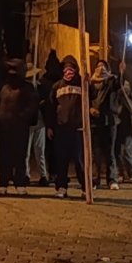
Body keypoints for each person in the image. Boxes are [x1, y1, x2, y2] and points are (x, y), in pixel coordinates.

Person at [0, 59, 40, 196]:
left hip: (20, 127)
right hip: (4, 127)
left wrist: (21, 117)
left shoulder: (27, 88)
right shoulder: (4, 88)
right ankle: (3, 183)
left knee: (20, 156)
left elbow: (32, 106)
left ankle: (20, 183)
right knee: (3, 156)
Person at [46, 55, 86, 199]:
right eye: (65, 68)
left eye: (71, 68)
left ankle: (85, 188)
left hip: (78, 129)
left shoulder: (83, 84)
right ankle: (61, 187)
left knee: (80, 161)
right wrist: (50, 126)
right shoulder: (57, 86)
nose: (68, 71)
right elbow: (51, 107)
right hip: (61, 129)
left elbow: (93, 96)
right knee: (61, 160)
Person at [89, 59, 121, 190]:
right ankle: (96, 179)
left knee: (110, 152)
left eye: (103, 67)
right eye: (98, 66)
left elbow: (118, 84)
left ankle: (111, 179)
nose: (100, 69)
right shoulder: (90, 83)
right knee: (96, 153)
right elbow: (86, 99)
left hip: (109, 122)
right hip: (95, 123)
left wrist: (120, 72)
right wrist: (90, 110)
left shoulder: (110, 81)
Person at [25, 57, 55, 187]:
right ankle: (25, 175)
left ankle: (43, 175)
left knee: (40, 150)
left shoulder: (42, 87)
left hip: (40, 122)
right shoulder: (24, 89)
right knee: (26, 151)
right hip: (27, 123)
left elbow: (47, 105)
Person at [114, 60, 132, 184]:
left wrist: (121, 77)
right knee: (118, 151)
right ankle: (121, 173)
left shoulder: (126, 88)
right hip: (118, 125)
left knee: (128, 150)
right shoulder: (114, 89)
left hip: (129, 124)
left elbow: (125, 91)